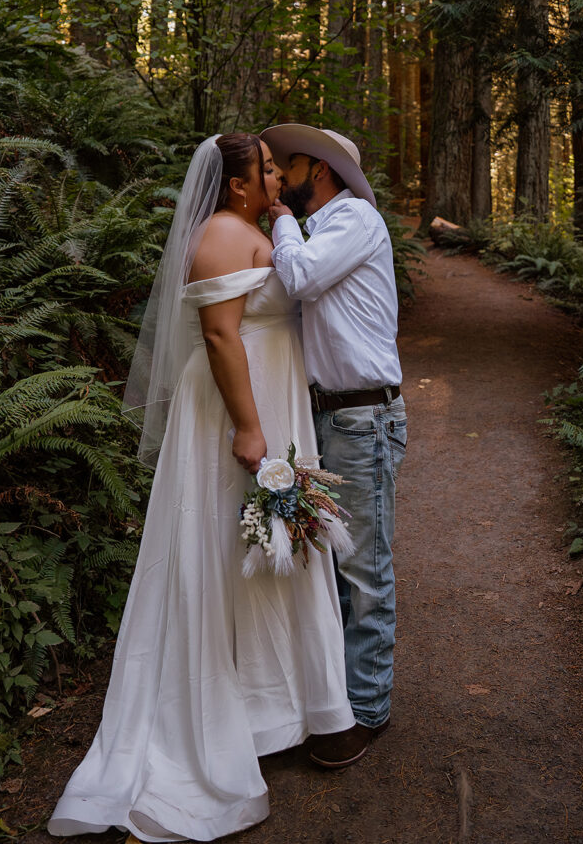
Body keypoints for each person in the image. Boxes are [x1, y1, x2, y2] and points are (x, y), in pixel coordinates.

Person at [48, 133, 354, 843]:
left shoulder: (250, 227)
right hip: (235, 408)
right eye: (267, 170)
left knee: (261, 550)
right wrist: (249, 430)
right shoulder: (221, 233)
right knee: (222, 546)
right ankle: (215, 719)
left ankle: (270, 709)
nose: (278, 178)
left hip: (268, 399)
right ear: (238, 185)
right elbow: (220, 336)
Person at [262, 123, 407, 770]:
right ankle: (334, 700)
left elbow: (298, 280)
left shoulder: (354, 219)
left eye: (287, 169)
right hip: (323, 419)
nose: (281, 180)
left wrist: (275, 220)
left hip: (361, 420)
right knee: (332, 565)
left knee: (364, 570)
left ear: (316, 171)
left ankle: (366, 712)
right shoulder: (321, 228)